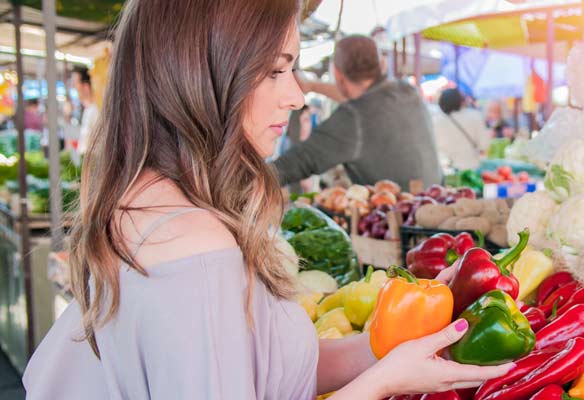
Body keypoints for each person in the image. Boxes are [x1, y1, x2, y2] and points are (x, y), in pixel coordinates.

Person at [22, 1, 511, 399]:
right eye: (277, 71)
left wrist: (400, 339)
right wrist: (382, 385)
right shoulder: (193, 250)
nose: (297, 96)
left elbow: (269, 372)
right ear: (206, 75)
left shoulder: (153, 202)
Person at [273, 35, 442, 191]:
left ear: (337, 74)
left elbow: (296, 163)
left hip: (396, 219)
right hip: (440, 206)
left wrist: (249, 182)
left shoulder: (353, 118)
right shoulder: (407, 91)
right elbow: (361, 99)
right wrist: (311, 86)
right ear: (382, 64)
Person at [432, 88, 490, 170]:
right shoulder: (475, 116)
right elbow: (484, 145)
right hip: (472, 167)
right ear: (461, 101)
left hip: (448, 169)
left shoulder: (437, 121)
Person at [72, 66, 98, 154]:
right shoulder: (88, 110)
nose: (74, 87)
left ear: (86, 86)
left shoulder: (96, 111)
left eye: (75, 83)